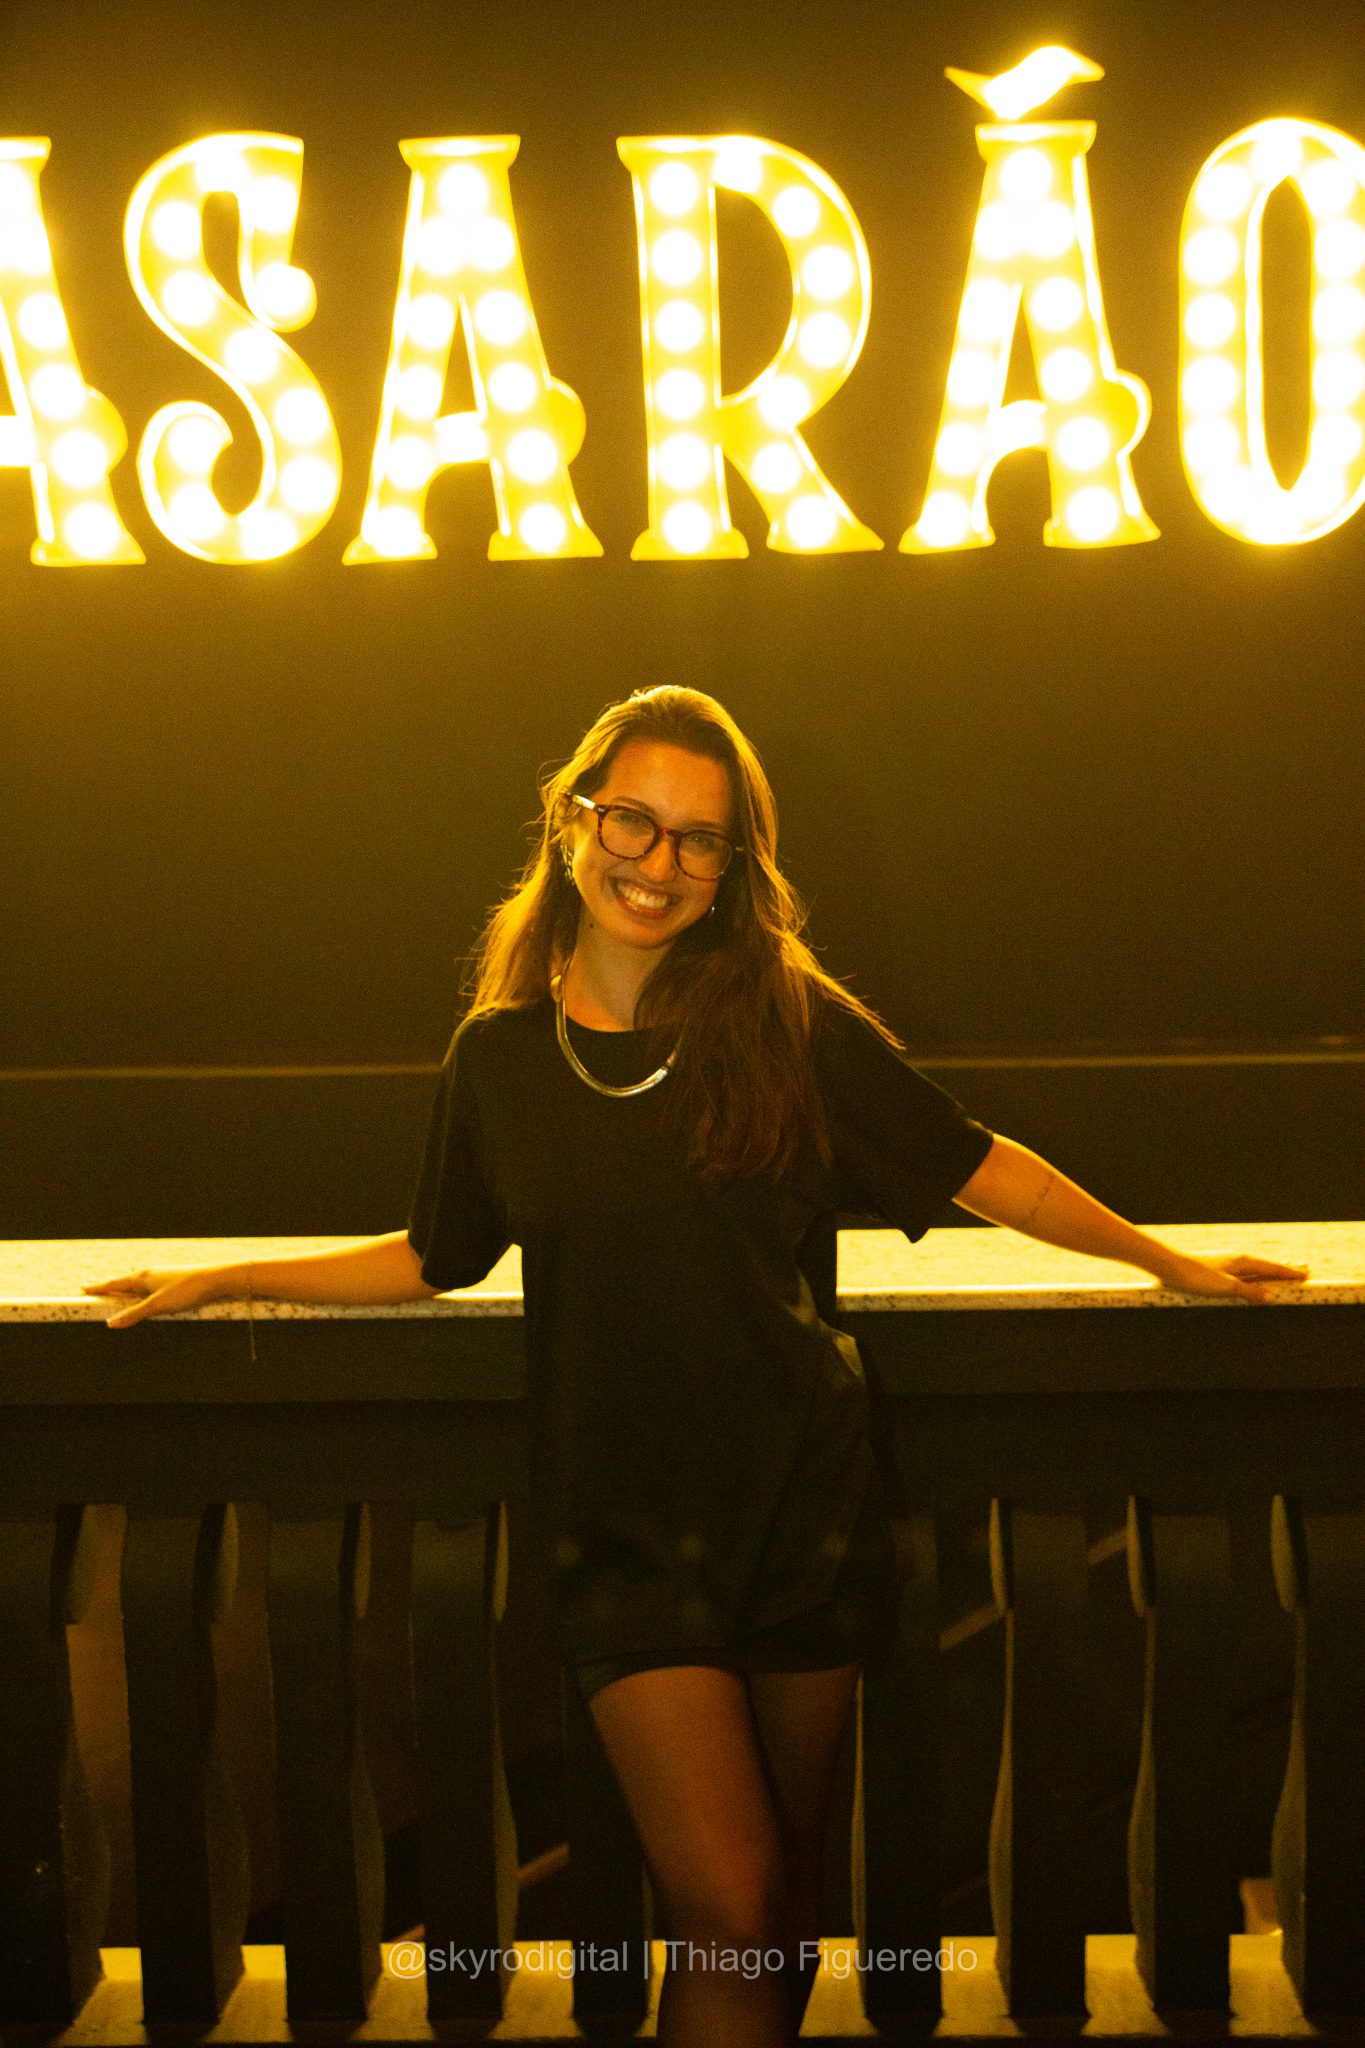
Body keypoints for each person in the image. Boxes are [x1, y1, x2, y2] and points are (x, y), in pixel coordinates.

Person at [88, 686, 1307, 2048]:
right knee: (728, 1899)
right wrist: (228, 1276)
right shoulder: (498, 1057)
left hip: (802, 1507)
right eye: (632, 821)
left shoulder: (781, 1019)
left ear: (732, 867)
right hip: (622, 1537)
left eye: (697, 839)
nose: (656, 862)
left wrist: (1165, 1260)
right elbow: (437, 1254)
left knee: (773, 1905)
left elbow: (976, 1166)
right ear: (572, 823)